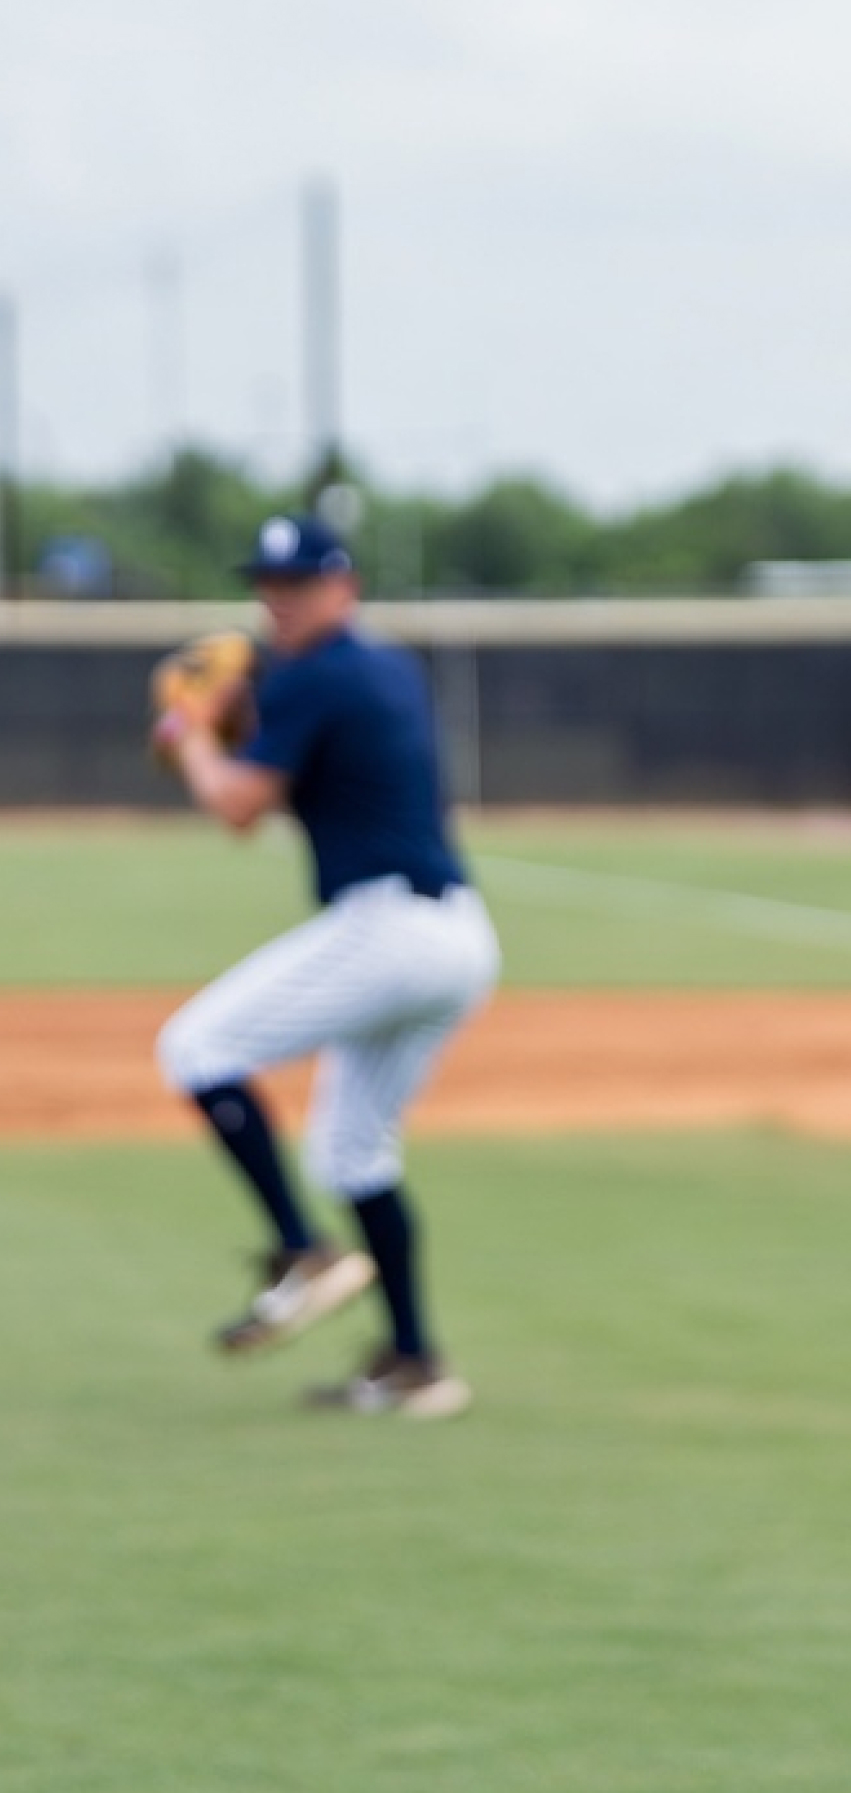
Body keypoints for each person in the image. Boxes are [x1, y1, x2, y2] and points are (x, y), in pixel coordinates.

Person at [153, 512, 500, 1420]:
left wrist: (192, 732)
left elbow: (237, 806)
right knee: (354, 1152)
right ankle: (418, 1363)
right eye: (269, 585)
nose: (279, 601)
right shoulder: (380, 665)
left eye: (298, 584)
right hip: (459, 937)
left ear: (342, 587)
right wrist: (240, 720)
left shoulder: (314, 674)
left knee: (198, 1046)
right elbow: (299, 747)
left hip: (389, 930)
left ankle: (304, 1251)